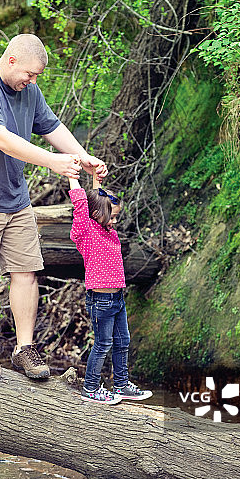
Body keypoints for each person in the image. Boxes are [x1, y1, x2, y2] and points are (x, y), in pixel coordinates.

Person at [0, 33, 107, 383]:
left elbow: (52, 127)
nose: (32, 82)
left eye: (37, 77)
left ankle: (24, 348)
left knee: (26, 271)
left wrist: (83, 159)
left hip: (14, 198)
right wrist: (53, 162)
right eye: (30, 74)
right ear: (11, 60)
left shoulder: (28, 90)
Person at [68, 171, 153, 404]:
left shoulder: (108, 232)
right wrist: (71, 176)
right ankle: (91, 388)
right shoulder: (85, 233)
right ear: (96, 214)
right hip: (101, 300)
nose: (115, 221)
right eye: (112, 216)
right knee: (103, 344)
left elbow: (97, 198)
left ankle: (121, 385)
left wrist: (96, 177)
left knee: (123, 341)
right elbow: (81, 205)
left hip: (118, 299)